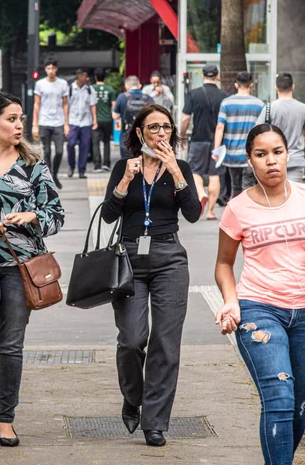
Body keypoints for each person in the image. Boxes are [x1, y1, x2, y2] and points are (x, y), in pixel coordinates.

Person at [214, 123, 305, 465]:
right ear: (249, 160)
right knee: (279, 399)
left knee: (298, 406)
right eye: (261, 154)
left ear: (289, 154)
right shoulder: (237, 208)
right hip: (259, 309)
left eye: (277, 152)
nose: (271, 161)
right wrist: (231, 301)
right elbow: (224, 264)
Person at [0, 92, 64, 449]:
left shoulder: (34, 164)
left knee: (11, 345)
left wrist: (32, 216)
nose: (19, 124)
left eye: (21, 118)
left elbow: (56, 216)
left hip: (22, 267)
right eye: (11, 118)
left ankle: (6, 419)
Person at [101, 103, 202, 448]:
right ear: (140, 132)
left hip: (169, 258)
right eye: (154, 127)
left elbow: (192, 214)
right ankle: (133, 397)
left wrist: (176, 172)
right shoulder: (123, 167)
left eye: (167, 128)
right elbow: (108, 216)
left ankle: (155, 422)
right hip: (129, 257)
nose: (161, 133)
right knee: (131, 339)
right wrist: (126, 181)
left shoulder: (182, 167)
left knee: (166, 343)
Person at [181, 64, 228, 220]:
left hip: (198, 139)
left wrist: (181, 134)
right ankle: (210, 212)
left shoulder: (194, 94)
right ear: (217, 76)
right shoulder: (224, 96)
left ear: (203, 76)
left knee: (195, 171)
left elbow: (185, 118)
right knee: (215, 175)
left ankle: (201, 192)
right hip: (218, 143)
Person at [213, 71, 265, 198]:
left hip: (231, 155)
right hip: (250, 154)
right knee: (249, 187)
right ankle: (247, 215)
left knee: (235, 187)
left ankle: (233, 216)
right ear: (251, 85)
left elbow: (220, 127)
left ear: (236, 85)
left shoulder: (226, 103)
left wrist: (216, 150)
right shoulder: (259, 104)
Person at [255, 73, 305, 184]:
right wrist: (299, 146)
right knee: (294, 196)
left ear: (276, 89)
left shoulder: (269, 108)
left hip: (273, 161)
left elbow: (257, 134)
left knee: (275, 196)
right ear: (293, 87)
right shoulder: (303, 108)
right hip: (296, 159)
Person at [33, 57, 69, 189]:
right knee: (47, 152)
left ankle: (54, 174)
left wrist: (66, 123)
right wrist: (34, 124)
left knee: (59, 151)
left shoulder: (63, 84)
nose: (51, 71)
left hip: (58, 122)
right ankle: (49, 179)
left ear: (56, 69)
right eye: (48, 68)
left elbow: (65, 104)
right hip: (44, 121)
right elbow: (36, 104)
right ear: (45, 69)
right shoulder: (40, 84)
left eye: (53, 68)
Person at [66, 68, 98, 179]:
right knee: (70, 144)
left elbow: (93, 105)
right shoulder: (70, 89)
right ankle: (71, 166)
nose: (87, 78)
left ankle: (81, 170)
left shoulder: (90, 89)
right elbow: (66, 106)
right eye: (85, 75)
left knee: (84, 146)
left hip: (86, 122)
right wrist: (65, 123)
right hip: (73, 121)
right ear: (79, 76)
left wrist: (95, 121)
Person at [113, 75, 154, 159]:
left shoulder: (122, 97)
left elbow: (115, 116)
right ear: (139, 86)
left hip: (127, 138)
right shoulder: (148, 98)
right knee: (145, 166)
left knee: (127, 165)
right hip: (145, 139)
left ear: (126, 87)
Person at [93, 68, 117, 172]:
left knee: (95, 142)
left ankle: (97, 165)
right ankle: (106, 164)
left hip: (96, 119)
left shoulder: (91, 88)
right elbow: (114, 105)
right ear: (105, 77)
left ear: (95, 77)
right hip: (107, 119)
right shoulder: (110, 89)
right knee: (106, 141)